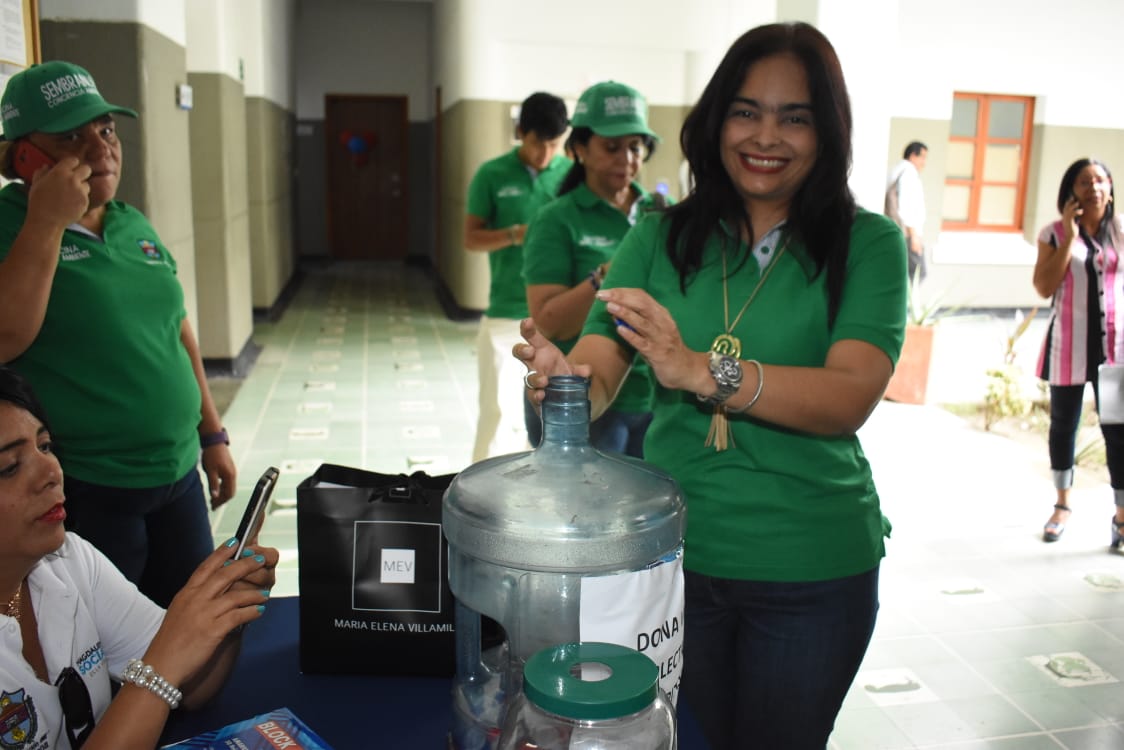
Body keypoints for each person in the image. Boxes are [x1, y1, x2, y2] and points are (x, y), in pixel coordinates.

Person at [516, 22, 907, 748]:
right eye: (746, 110)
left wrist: (703, 370)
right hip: (673, 563)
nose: (767, 136)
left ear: (829, 132)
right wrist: (564, 389)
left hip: (811, 567)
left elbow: (848, 395)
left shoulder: (870, 244)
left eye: (797, 117)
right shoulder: (661, 237)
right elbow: (600, 364)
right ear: (715, 119)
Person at [0, 61, 237, 607]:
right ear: (25, 156)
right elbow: (7, 337)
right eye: (71, 136)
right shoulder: (11, 227)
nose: (99, 147)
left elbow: (177, 329)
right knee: (112, 648)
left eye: (106, 130)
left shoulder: (133, 224)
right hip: (94, 485)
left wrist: (211, 435)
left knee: (190, 625)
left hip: (177, 473)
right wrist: (47, 222)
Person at [0, 364, 278, 749]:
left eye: (45, 446)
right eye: (9, 468)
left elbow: (193, 686)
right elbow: (167, 671)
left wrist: (225, 613)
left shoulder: (70, 560)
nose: (51, 471)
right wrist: (160, 666)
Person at [521, 81, 665, 458]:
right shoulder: (556, 220)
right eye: (612, 147)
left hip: (658, 397)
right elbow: (548, 321)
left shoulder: (662, 217)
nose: (626, 159)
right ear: (580, 148)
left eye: (635, 147)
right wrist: (610, 273)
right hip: (585, 392)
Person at [465, 92, 570, 461]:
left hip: (558, 316)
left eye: (554, 145)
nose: (544, 155)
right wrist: (514, 234)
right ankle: (482, 502)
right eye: (537, 144)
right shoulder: (492, 174)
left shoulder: (571, 177)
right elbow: (471, 237)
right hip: (506, 309)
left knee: (548, 416)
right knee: (496, 412)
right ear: (520, 132)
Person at [1032, 157, 1124, 551]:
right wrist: (1069, 237)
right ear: (1072, 191)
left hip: (1115, 350)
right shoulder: (1053, 234)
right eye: (1085, 181)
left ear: (1110, 188)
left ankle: (1121, 514)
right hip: (1068, 345)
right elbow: (1043, 285)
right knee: (1063, 427)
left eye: (1101, 180)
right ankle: (1062, 505)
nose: (1094, 187)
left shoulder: (1120, 232)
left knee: (1118, 432)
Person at [885, 140, 928, 284]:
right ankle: (906, 306)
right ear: (912, 156)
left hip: (900, 231)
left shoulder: (898, 170)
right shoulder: (908, 173)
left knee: (903, 273)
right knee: (917, 275)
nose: (924, 162)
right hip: (908, 233)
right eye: (922, 157)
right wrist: (914, 236)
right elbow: (907, 206)